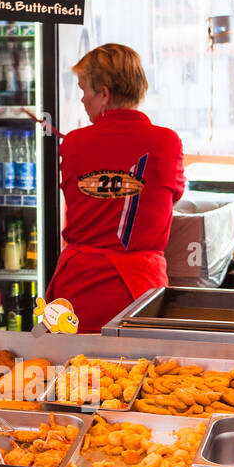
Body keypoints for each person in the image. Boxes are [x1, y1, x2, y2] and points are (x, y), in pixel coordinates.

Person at [47, 44, 185, 333]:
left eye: (84, 89)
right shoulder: (167, 142)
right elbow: (172, 196)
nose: (83, 99)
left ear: (104, 94)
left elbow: (75, 196)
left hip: (80, 289)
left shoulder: (73, 143)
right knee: (138, 374)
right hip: (141, 293)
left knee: (77, 375)